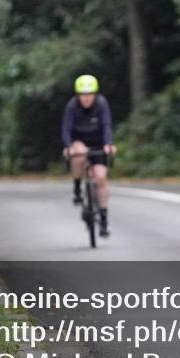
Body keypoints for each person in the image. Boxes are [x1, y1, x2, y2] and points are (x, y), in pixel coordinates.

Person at [61, 74, 116, 237]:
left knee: (100, 178)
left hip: (98, 142)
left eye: (89, 95)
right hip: (79, 141)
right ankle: (77, 187)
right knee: (79, 154)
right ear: (78, 95)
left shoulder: (101, 104)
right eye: (83, 95)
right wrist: (68, 146)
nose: (86, 99)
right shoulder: (72, 106)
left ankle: (104, 219)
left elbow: (106, 125)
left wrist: (108, 144)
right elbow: (66, 128)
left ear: (95, 94)